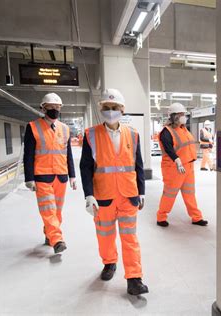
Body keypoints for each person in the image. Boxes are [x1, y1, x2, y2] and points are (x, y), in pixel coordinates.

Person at [79, 88, 149, 296]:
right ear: (101, 109)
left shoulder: (133, 134)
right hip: (103, 196)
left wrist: (142, 191)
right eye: (107, 108)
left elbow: (138, 165)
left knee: (130, 237)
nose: (111, 111)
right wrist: (88, 194)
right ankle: (109, 263)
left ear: (122, 109)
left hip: (129, 195)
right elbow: (85, 167)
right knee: (105, 235)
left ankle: (134, 278)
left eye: (115, 107)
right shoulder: (91, 135)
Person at [23, 93, 77, 254]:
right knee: (48, 210)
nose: (54, 110)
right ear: (43, 108)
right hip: (42, 176)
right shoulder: (33, 127)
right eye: (51, 107)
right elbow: (28, 154)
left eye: (57, 107)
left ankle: (49, 234)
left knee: (57, 211)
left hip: (61, 176)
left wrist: (72, 176)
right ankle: (57, 240)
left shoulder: (65, 129)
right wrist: (29, 178)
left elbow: (68, 154)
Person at [156, 102, 208, 228]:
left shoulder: (184, 129)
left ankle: (196, 217)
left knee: (190, 194)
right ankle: (161, 217)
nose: (184, 117)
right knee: (169, 194)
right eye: (181, 114)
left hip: (188, 167)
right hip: (174, 168)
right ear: (173, 117)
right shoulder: (166, 132)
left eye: (184, 114)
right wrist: (177, 160)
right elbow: (169, 148)